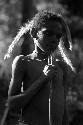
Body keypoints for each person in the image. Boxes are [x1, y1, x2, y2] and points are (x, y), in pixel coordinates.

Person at [1, 7, 75, 125]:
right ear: (34, 33)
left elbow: (63, 108)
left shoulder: (62, 68)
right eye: (48, 33)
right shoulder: (23, 62)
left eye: (58, 36)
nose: (54, 40)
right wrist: (43, 79)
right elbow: (11, 104)